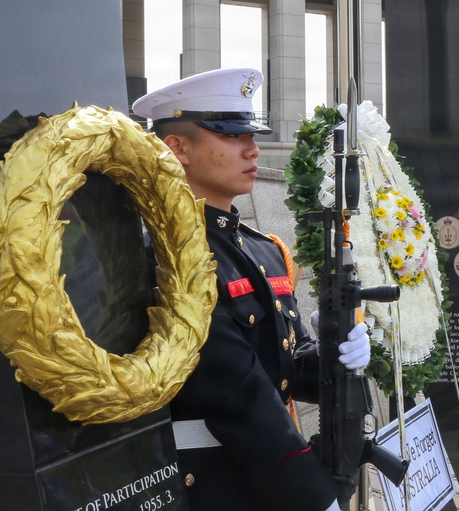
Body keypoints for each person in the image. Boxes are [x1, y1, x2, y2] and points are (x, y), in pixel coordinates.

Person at [133, 68, 370, 511]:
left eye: (251, 134)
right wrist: (314, 498)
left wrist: (333, 353)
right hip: (211, 485)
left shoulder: (263, 251)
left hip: (270, 474)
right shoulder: (167, 256)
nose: (252, 149)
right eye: (230, 136)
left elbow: (281, 365)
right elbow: (235, 392)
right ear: (177, 148)